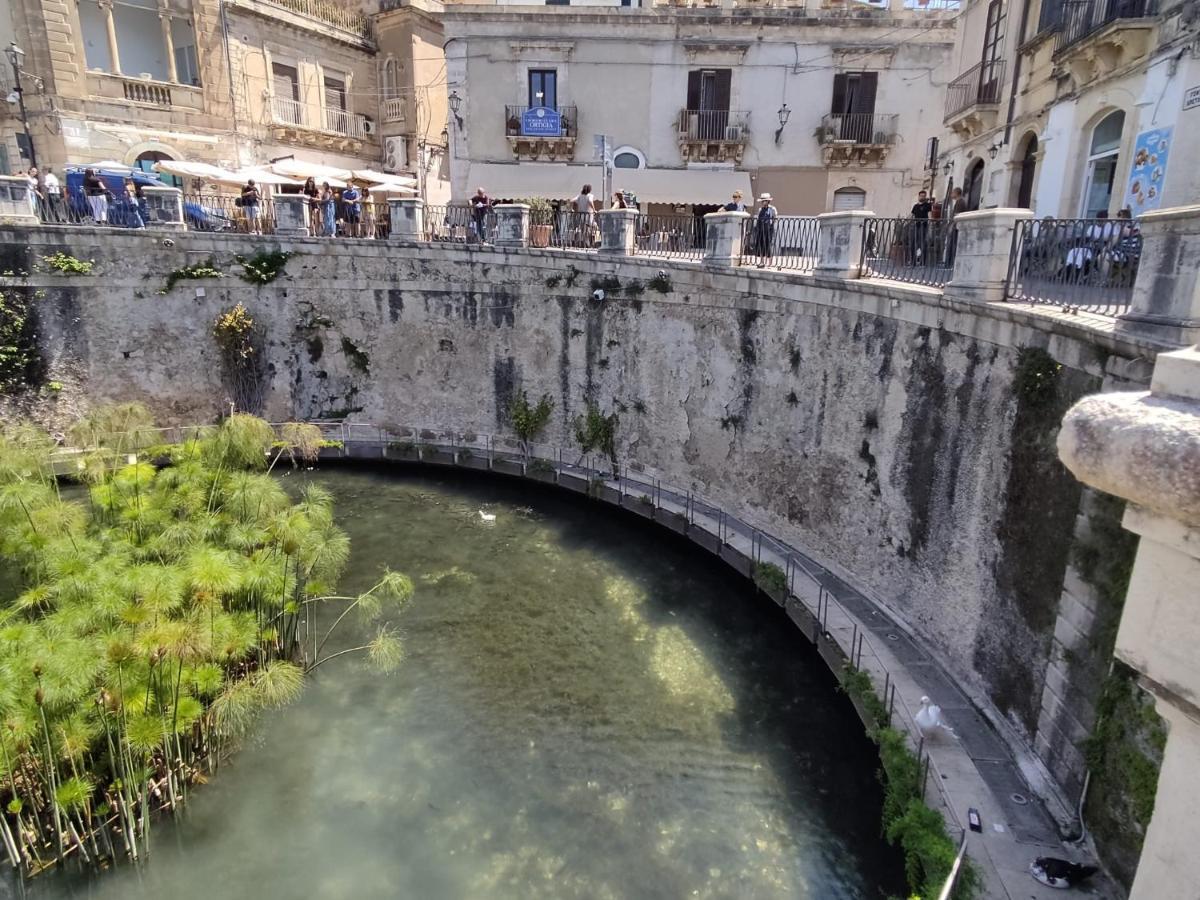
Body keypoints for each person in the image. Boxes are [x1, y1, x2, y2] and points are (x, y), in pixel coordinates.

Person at [753, 193, 777, 268]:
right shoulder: (760, 209)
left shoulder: (772, 209)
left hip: (768, 230)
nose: (763, 202)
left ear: (767, 201)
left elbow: (775, 218)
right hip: (761, 229)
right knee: (761, 245)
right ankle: (762, 262)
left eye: (764, 201)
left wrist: (771, 225)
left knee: (768, 245)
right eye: (762, 201)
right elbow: (758, 219)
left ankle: (769, 263)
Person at [909, 189, 932, 265]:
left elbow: (930, 215)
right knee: (914, 243)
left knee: (922, 244)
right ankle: (913, 262)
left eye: (924, 196)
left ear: (925, 197)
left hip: (923, 226)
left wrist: (930, 224)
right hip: (916, 226)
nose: (922, 197)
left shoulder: (928, 205)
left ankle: (923, 262)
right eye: (921, 196)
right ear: (918, 196)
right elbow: (912, 215)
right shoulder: (915, 206)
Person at [572, 183, 596, 247]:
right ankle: (590, 244)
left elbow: (573, 200)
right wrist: (594, 210)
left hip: (581, 215)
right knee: (591, 229)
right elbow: (590, 201)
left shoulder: (580, 196)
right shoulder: (590, 195)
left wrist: (573, 209)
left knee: (584, 230)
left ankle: (586, 243)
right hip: (588, 215)